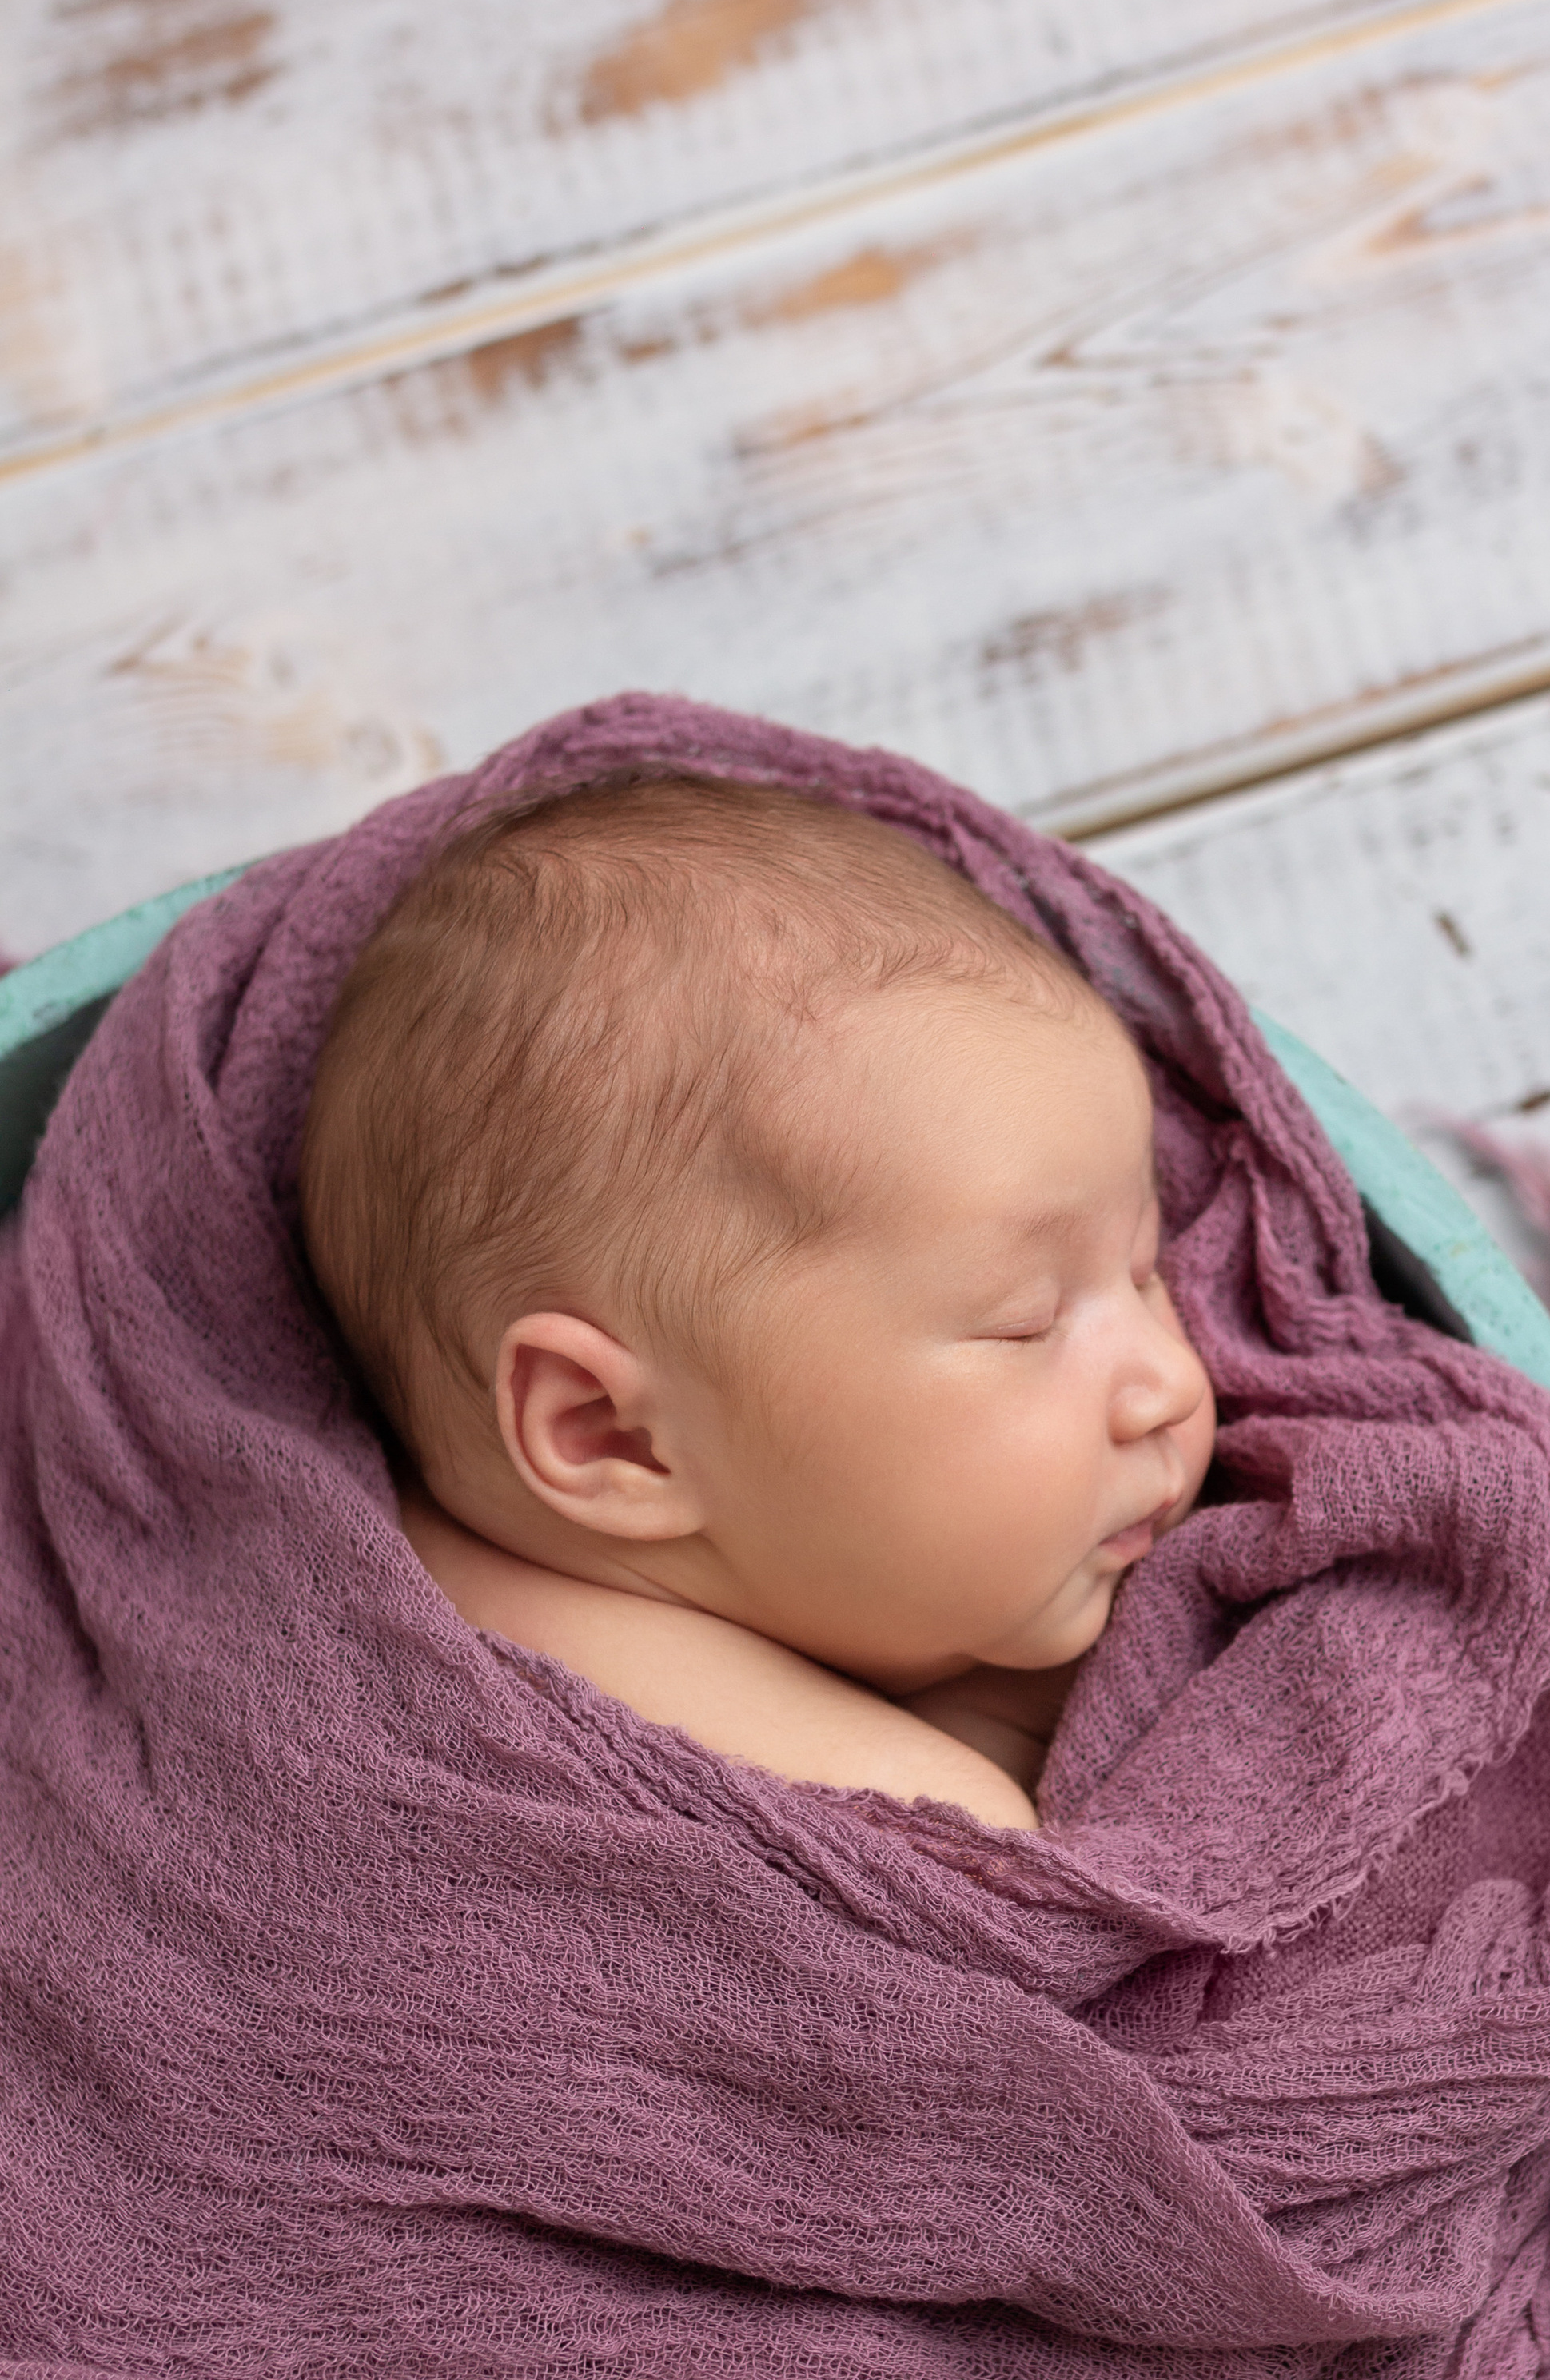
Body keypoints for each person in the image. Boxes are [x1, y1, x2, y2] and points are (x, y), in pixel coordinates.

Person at [298, 765, 1217, 1833]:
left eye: (1144, 1270)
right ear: (612, 1435)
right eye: (1025, 1323)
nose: (1171, 1380)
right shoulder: (908, 1826)